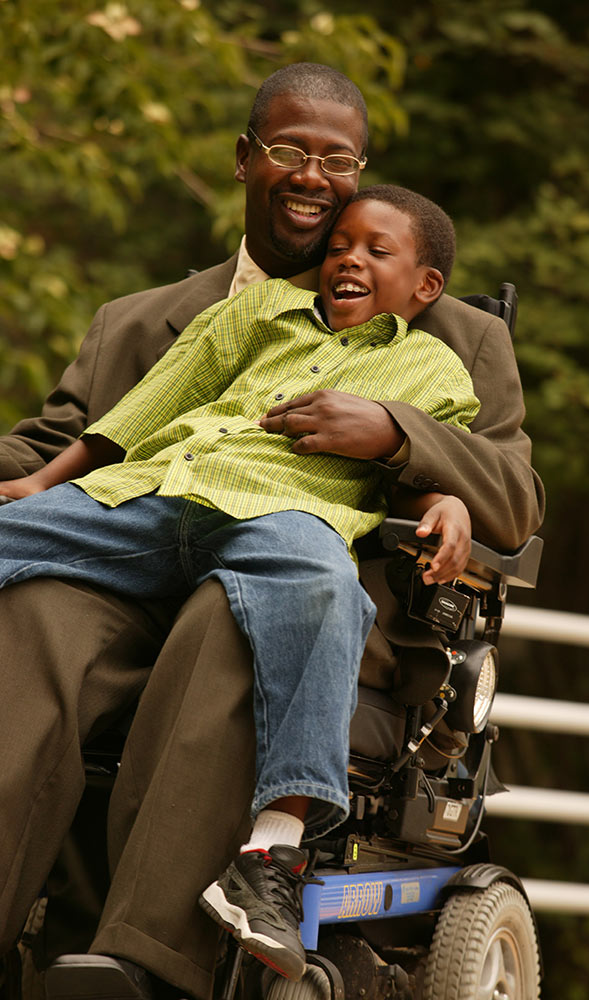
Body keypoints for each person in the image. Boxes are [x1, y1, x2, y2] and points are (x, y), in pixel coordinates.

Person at [0, 63, 544, 1000]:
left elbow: (511, 492)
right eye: (288, 151)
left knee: (233, 615)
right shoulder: (142, 321)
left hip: (299, 568)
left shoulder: (451, 339)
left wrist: (399, 439)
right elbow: (50, 449)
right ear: (245, 159)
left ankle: (143, 963)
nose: (310, 175)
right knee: (36, 612)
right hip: (132, 544)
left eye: (337, 159)